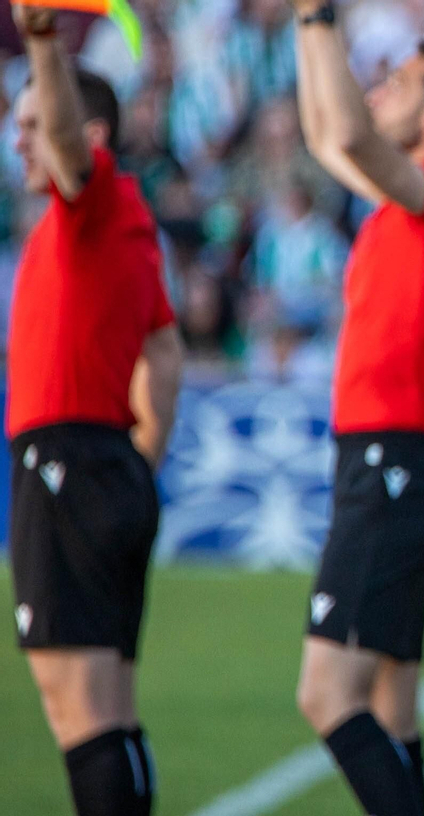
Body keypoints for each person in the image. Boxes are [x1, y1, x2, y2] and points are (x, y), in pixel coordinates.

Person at [287, 2, 424, 812]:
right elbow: (322, 136)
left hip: (394, 466)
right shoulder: (412, 202)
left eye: (397, 83)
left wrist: (318, 18)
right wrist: (311, 28)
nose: (376, 91)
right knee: (388, 707)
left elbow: (342, 135)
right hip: (389, 465)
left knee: (325, 695)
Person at [7, 7, 183, 815]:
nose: (21, 141)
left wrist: (43, 44)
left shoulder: (95, 203)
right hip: (101, 460)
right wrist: (138, 459)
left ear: (89, 131)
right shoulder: (124, 229)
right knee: (109, 710)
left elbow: (74, 155)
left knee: (79, 711)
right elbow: (166, 352)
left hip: (69, 460)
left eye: (34, 122)